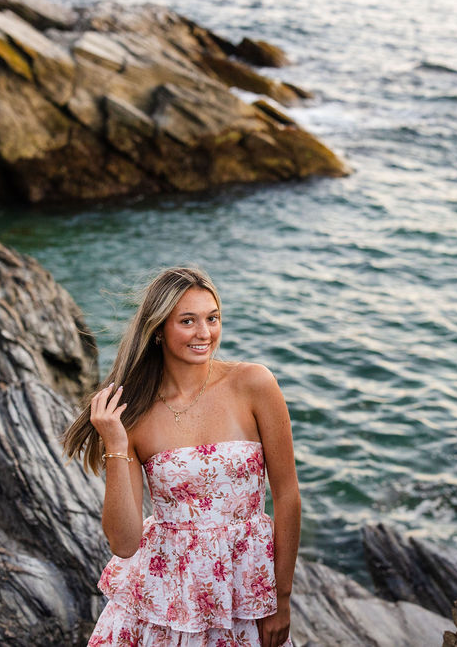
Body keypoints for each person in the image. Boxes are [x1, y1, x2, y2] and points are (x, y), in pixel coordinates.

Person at [62, 266, 301, 647]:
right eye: (187, 321)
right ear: (159, 330)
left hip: (246, 590)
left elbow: (287, 496)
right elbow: (124, 543)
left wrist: (280, 599)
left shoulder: (254, 384)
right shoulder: (134, 415)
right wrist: (115, 444)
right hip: (165, 598)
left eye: (212, 318)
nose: (204, 333)